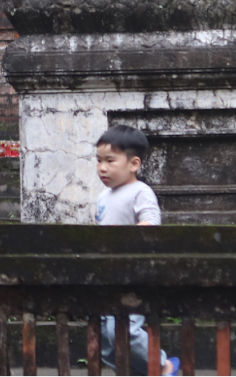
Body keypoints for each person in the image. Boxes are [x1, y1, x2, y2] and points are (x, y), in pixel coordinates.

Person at [94, 125, 180, 377]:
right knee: (106, 338)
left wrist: (123, 239)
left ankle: (164, 366)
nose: (102, 167)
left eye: (110, 160)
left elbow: (152, 224)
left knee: (127, 330)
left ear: (133, 164)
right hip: (107, 276)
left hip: (133, 274)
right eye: (98, 160)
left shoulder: (140, 192)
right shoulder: (103, 196)